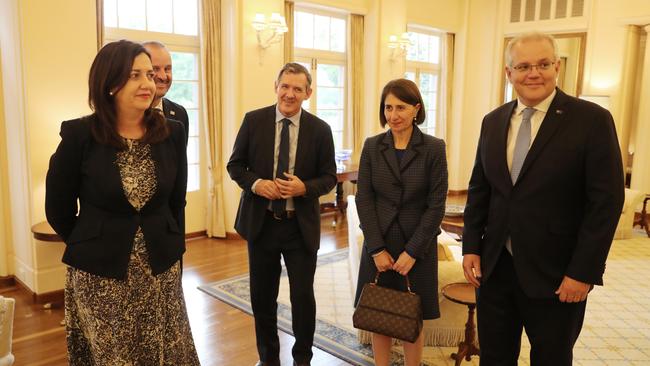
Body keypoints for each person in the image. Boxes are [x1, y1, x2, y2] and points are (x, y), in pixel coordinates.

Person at [462, 31, 624, 365]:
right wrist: (471, 247)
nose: (533, 73)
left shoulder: (591, 120)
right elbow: (480, 191)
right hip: (495, 270)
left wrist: (583, 272)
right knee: (494, 357)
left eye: (543, 64)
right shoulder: (492, 122)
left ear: (556, 67)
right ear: (509, 74)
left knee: (551, 358)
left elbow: (606, 204)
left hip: (558, 274)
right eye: (523, 66)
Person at [45, 40, 199, 366]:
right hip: (101, 277)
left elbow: (175, 201)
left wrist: (174, 248)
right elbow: (57, 208)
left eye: (150, 74)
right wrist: (92, 242)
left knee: (166, 352)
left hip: (160, 271)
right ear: (110, 83)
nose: (148, 83)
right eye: (135, 75)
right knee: (116, 357)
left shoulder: (172, 132)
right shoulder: (79, 135)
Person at [227, 63, 337, 366]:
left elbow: (329, 177)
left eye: (297, 89)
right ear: (276, 86)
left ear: (308, 93)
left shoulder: (320, 130)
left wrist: (304, 188)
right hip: (261, 225)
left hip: (299, 228)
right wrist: (257, 184)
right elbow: (235, 166)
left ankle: (302, 358)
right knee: (262, 298)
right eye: (285, 86)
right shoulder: (253, 121)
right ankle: (269, 359)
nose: (289, 94)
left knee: (303, 298)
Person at [354, 78, 448, 366]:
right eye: (388, 108)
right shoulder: (372, 147)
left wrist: (413, 252)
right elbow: (364, 199)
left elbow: (436, 205)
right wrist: (375, 249)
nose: (393, 115)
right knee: (379, 315)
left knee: (411, 317)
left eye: (401, 108)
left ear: (416, 109)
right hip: (379, 244)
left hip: (416, 247)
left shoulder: (433, 147)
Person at [142, 41, 190, 145]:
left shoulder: (180, 114)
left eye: (167, 69)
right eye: (155, 69)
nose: (163, 76)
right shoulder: (129, 115)